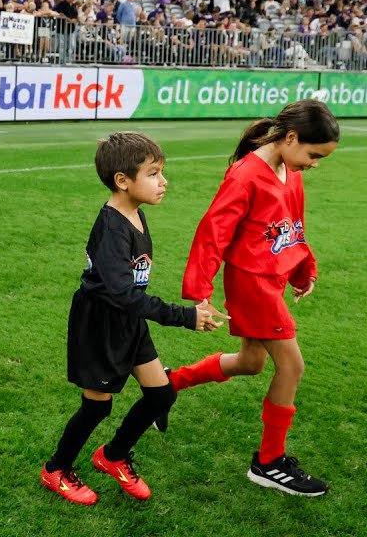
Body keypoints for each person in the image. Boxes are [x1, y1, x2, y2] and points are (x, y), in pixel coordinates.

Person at [167, 99, 340, 497]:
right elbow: (211, 234)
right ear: (291, 137)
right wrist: (200, 296)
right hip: (253, 283)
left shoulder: (289, 169)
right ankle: (269, 462)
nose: (314, 164)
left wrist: (302, 268)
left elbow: (293, 225)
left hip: (273, 278)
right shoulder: (245, 176)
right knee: (291, 367)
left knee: (251, 362)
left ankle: (168, 384)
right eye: (314, 155)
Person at [40, 132, 224, 506]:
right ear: (122, 181)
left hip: (128, 320)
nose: (163, 181)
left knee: (161, 395)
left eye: (161, 172)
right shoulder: (112, 228)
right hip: (101, 324)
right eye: (154, 173)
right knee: (97, 405)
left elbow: (130, 297)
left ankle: (113, 455)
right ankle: (56, 469)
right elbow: (123, 294)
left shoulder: (135, 213)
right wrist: (185, 317)